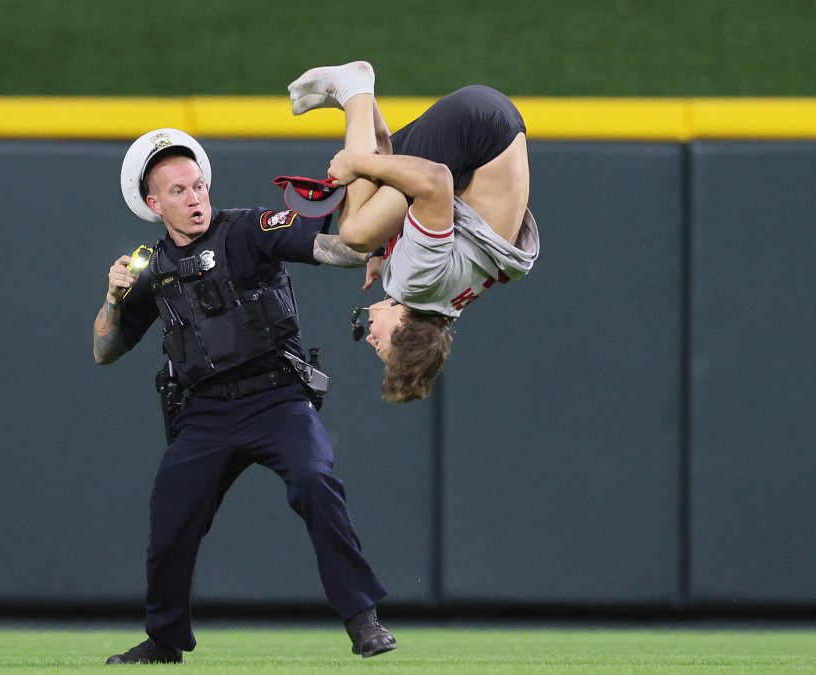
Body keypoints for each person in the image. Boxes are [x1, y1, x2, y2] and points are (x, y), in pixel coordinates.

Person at [93, 128, 397, 664]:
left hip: (275, 397)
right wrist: (114, 299)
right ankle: (164, 641)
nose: (195, 198)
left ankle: (362, 619)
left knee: (314, 479)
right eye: (180, 191)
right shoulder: (151, 269)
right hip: (205, 413)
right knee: (170, 518)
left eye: (199, 185)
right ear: (153, 202)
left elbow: (332, 248)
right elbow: (105, 350)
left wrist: (371, 244)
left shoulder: (248, 229)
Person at [286, 62, 541, 403]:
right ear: (403, 327)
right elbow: (435, 182)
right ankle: (354, 91)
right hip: (477, 132)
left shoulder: (439, 302)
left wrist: (384, 255)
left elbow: (422, 199)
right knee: (357, 232)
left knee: (379, 203)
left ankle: (358, 99)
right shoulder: (418, 285)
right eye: (382, 347)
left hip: (495, 127)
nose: (372, 340)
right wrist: (355, 164)